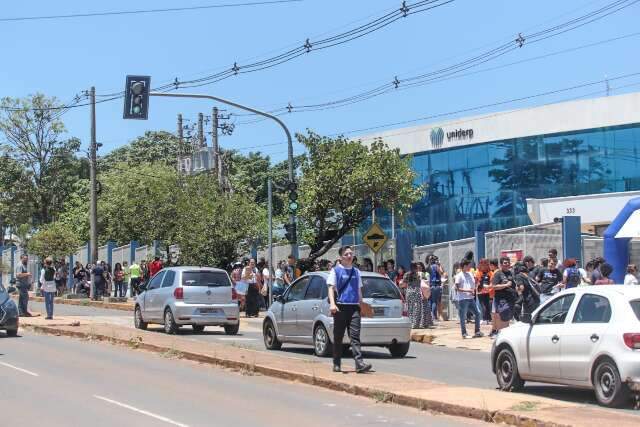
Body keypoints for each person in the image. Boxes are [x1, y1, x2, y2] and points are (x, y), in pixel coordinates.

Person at [327, 245, 371, 373]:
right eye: (346, 254)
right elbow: (330, 288)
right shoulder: (335, 271)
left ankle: (359, 363)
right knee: (338, 337)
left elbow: (358, 290)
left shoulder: (356, 271)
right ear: (341, 257)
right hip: (340, 307)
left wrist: (362, 305)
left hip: (354, 308)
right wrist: (332, 304)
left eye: (351, 253)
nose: (350, 256)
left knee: (355, 336)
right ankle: (336, 363)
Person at [455, 259, 483, 339]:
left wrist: (475, 288)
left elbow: (473, 284)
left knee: (478, 313)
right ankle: (464, 333)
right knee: (463, 316)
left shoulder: (470, 274)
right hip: (463, 299)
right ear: (464, 266)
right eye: (468, 265)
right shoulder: (459, 275)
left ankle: (477, 331)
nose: (470, 267)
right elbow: (457, 288)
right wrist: (468, 290)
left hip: (471, 298)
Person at [490, 257, 516, 336]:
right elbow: (494, 286)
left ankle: (504, 334)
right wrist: (505, 285)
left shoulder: (511, 273)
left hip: (510, 298)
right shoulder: (498, 273)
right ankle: (501, 334)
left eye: (508, 262)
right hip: (501, 299)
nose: (507, 264)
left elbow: (513, 285)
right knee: (503, 316)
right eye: (505, 263)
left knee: (507, 317)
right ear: (501, 264)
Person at [403, 262, 432, 329]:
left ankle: (411, 323)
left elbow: (403, 284)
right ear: (416, 267)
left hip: (409, 292)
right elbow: (425, 282)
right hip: (417, 292)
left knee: (410, 308)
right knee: (417, 309)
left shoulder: (407, 274)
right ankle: (416, 324)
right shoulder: (419, 274)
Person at [427, 255, 445, 321]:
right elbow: (441, 273)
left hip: (431, 285)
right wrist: (439, 265)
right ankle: (434, 317)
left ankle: (431, 316)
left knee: (431, 301)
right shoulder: (436, 266)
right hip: (436, 285)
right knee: (435, 301)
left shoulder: (429, 267)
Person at [475, 259, 493, 324]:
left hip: (488, 291)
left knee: (487, 305)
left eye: (486, 264)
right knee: (483, 305)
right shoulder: (478, 272)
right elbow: (476, 281)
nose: (485, 266)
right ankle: (486, 319)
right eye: (483, 264)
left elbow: (492, 281)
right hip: (480, 291)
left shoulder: (490, 272)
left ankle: (488, 319)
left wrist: (488, 287)